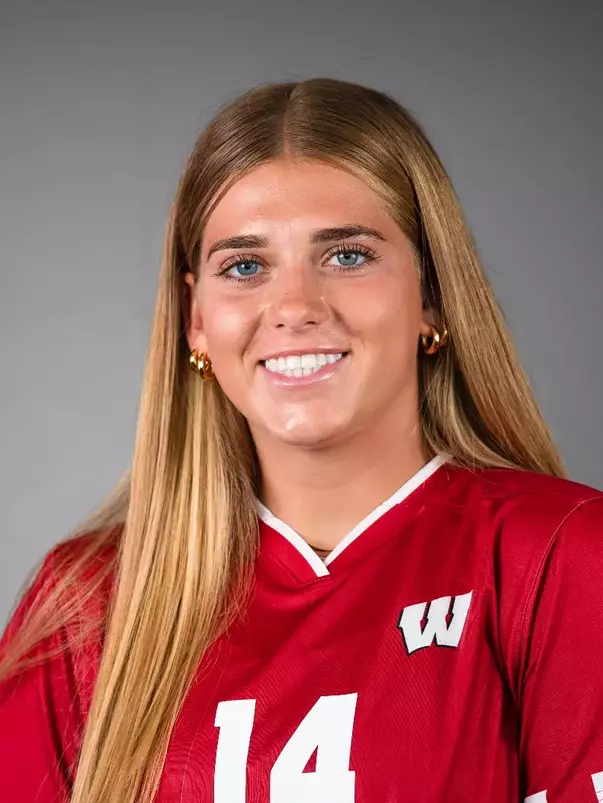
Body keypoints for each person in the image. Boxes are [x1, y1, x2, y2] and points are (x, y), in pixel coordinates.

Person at [0, 77, 602, 803]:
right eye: (245, 266)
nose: (293, 308)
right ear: (196, 319)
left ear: (431, 295)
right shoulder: (88, 604)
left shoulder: (559, 556)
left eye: (345, 255)